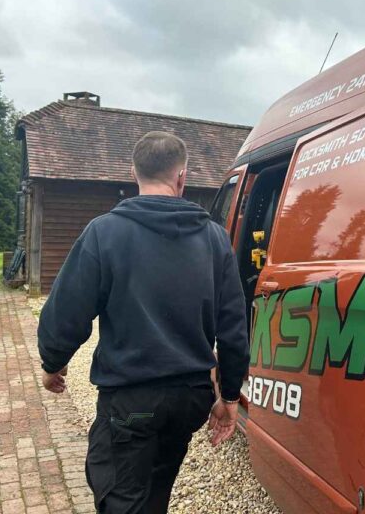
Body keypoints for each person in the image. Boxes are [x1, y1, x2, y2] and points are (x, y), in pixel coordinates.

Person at [37, 130, 249, 513]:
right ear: (182, 176)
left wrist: (54, 363)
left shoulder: (104, 233)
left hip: (133, 400)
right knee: (155, 490)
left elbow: (67, 309)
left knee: (122, 497)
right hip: (190, 400)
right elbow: (234, 327)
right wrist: (229, 397)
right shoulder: (216, 240)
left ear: (133, 173)